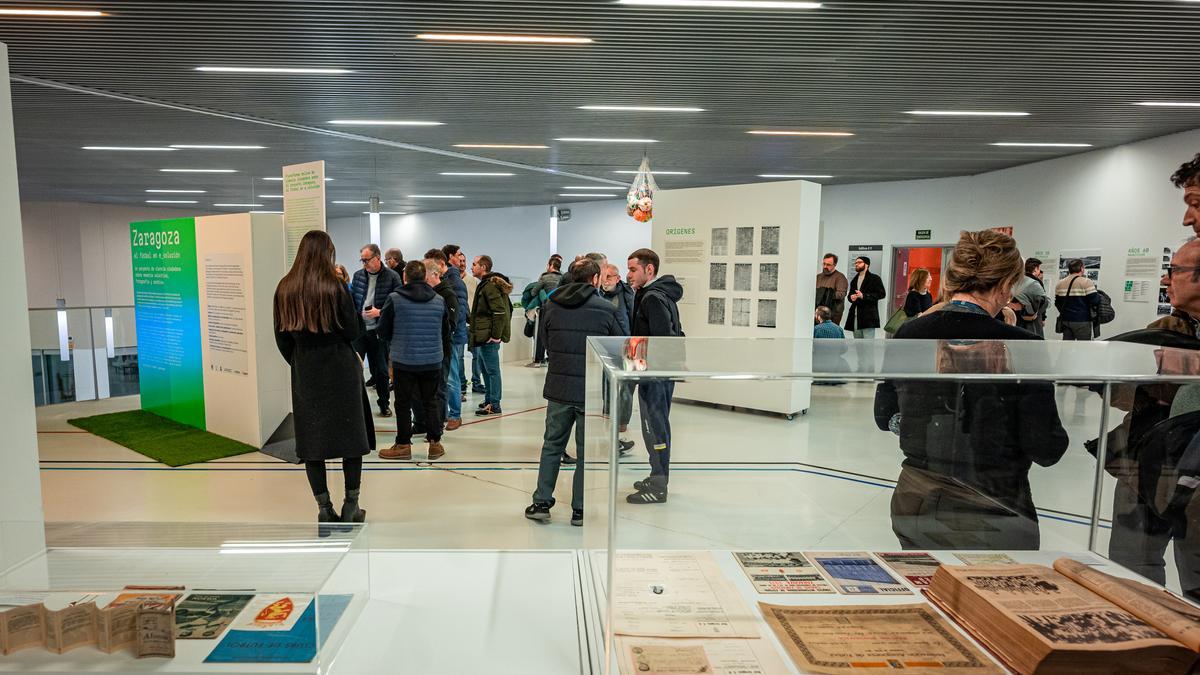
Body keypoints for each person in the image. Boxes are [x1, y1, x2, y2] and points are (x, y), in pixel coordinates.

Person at [875, 229, 1069, 550]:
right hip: (993, 504)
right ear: (1007, 284)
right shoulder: (1023, 344)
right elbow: (1045, 447)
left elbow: (885, 416)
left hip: (916, 496)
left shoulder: (911, 331)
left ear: (952, 278)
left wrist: (925, 429)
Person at [273, 230, 370, 527]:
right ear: (328, 253)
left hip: (306, 371)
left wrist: (301, 360)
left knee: (312, 443)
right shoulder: (335, 286)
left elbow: (281, 337)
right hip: (340, 368)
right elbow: (352, 330)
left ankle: (323, 509)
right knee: (351, 441)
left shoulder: (285, 288)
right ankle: (351, 506)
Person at [525, 258, 626, 526]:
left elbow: (544, 343)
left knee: (551, 446)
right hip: (588, 393)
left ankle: (541, 502)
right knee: (584, 452)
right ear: (595, 280)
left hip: (558, 389)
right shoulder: (606, 309)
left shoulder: (551, 306)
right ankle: (579, 509)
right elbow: (619, 346)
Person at [625, 248, 684, 504]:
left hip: (655, 375)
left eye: (633, 269)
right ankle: (657, 474)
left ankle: (659, 486)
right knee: (654, 426)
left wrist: (640, 370)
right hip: (652, 373)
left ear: (649, 270)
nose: (629, 275)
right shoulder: (651, 294)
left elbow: (662, 340)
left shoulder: (652, 298)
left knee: (655, 427)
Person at [378, 260, 450, 461]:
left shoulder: (394, 299)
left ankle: (403, 445)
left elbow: (383, 331)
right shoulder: (438, 300)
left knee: (402, 403)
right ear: (425, 277)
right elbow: (446, 332)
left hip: (404, 360)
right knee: (431, 401)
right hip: (432, 359)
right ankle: (435, 444)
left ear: (405, 277)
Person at [350, 243, 402, 416]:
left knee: (380, 370)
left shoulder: (392, 277)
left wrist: (380, 312)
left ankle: (384, 403)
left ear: (378, 258)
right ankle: (356, 406)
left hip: (379, 331)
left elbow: (398, 303)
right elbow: (353, 301)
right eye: (362, 260)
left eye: (367, 260)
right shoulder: (358, 276)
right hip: (360, 330)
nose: (364, 263)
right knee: (354, 368)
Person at [469, 255, 514, 416]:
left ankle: (494, 404)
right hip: (483, 336)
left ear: (483, 267)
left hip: (488, 337)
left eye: (474, 264)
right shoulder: (486, 285)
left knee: (492, 371)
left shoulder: (490, 286)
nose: (471, 267)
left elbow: (500, 311)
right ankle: (489, 400)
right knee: (485, 370)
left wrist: (494, 336)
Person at [424, 249, 459, 433]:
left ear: (435, 274)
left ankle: (439, 424)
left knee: (441, 386)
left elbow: (451, 323)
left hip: (442, 348)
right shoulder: (428, 293)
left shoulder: (447, 295)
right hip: (429, 350)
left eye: (425, 276)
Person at [440, 244, 470, 430]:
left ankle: (454, 415)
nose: (461, 258)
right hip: (449, 335)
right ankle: (445, 414)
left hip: (452, 335)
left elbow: (457, 311)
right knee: (446, 376)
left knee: (451, 377)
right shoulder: (450, 279)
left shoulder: (454, 280)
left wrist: (450, 331)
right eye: (459, 254)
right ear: (450, 256)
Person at [526, 255, 563, 367]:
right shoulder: (563, 278)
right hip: (560, 310)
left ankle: (538, 360)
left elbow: (533, 292)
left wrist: (541, 290)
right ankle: (552, 358)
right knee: (555, 335)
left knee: (541, 334)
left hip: (546, 309)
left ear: (550, 265)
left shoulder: (544, 277)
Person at [1054, 259, 1100, 340]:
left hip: (1066, 320)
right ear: (1082, 268)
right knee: (1083, 348)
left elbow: (1057, 303)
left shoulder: (1060, 283)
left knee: (1067, 348)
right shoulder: (1086, 282)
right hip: (1082, 321)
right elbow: (1095, 300)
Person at [844, 255, 886, 339]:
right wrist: (851, 297)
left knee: (868, 345)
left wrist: (864, 296)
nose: (856, 264)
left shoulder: (875, 278)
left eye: (859, 262)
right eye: (855, 263)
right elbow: (850, 295)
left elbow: (882, 294)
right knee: (858, 344)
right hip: (855, 316)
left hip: (868, 316)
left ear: (867, 264)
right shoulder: (854, 280)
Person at [1011, 258, 1049, 336]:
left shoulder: (1015, 280)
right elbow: (1044, 302)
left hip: (1015, 319)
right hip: (1031, 321)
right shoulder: (1035, 282)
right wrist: (1043, 317)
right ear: (1036, 269)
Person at [815, 254, 850, 325]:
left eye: (828, 265)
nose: (825, 266)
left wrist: (826, 293)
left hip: (833, 314)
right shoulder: (818, 277)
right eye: (824, 264)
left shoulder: (840, 277)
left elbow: (841, 294)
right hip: (818, 313)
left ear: (835, 265)